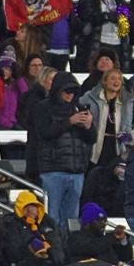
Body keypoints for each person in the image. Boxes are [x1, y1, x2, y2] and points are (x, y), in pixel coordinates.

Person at [32, 76, 96, 227]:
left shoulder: (80, 108)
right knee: (52, 217)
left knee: (72, 220)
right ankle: (53, 249)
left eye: (74, 92)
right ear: (57, 90)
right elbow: (44, 133)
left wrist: (89, 126)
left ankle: (69, 249)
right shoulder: (43, 107)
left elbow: (92, 138)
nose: (70, 95)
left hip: (77, 172)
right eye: (66, 91)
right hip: (53, 171)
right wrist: (69, 121)